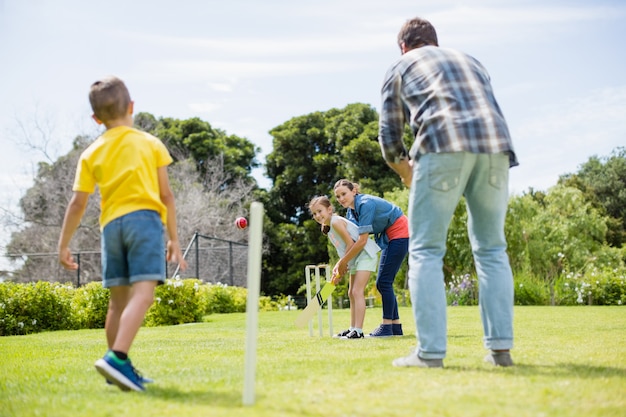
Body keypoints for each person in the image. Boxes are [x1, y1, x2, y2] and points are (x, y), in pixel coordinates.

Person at [378, 17, 518, 368]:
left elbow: (390, 137)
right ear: (435, 42)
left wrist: (405, 171)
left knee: (425, 249)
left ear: (403, 46)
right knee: (492, 249)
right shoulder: (471, 61)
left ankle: (429, 354)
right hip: (497, 149)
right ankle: (500, 351)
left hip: (441, 147)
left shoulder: (401, 65)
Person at [57, 75, 188, 391]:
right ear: (132, 107)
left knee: (117, 303)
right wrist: (174, 238)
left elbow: (77, 203)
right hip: (144, 222)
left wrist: (63, 245)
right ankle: (116, 358)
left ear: (95, 118)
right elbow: (166, 196)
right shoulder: (149, 142)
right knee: (144, 295)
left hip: (111, 228)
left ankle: (117, 370)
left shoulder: (91, 153)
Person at [332, 179, 409, 337]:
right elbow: (353, 242)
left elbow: (362, 241)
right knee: (384, 282)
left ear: (354, 191)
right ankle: (395, 327)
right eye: (338, 196)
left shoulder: (365, 204)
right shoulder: (350, 212)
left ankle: (387, 326)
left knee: (384, 282)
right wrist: (342, 266)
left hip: (400, 232)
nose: (341, 199)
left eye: (344, 194)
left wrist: (343, 262)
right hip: (388, 237)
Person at [309, 196, 381, 339]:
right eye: (314, 213)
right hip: (354, 258)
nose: (317, 216)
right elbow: (344, 249)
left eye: (320, 211)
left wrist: (341, 263)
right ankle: (352, 328)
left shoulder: (335, 222)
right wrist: (342, 265)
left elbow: (350, 243)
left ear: (329, 209)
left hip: (365, 254)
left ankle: (358, 331)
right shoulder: (327, 227)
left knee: (356, 291)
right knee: (350, 293)